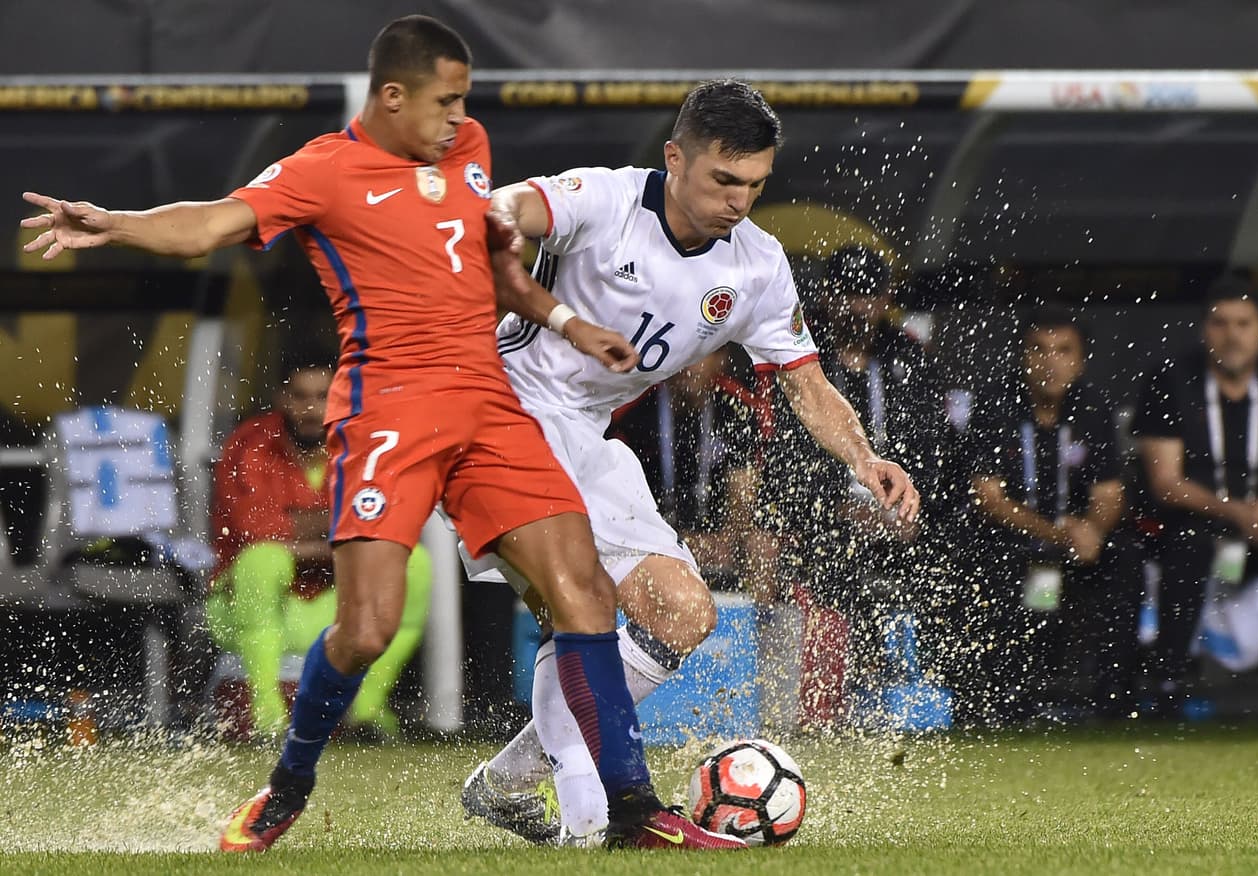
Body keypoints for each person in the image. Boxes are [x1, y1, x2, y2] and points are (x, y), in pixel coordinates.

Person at [21, 15, 744, 853]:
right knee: (366, 627)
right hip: (387, 409)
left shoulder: (466, 146)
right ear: (392, 96)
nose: (457, 116)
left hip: (488, 402)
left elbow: (493, 261)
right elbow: (212, 224)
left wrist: (567, 321)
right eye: (444, 101)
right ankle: (286, 787)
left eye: (463, 100)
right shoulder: (324, 170)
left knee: (582, 592)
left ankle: (631, 812)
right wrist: (114, 222)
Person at [458, 79, 920, 846]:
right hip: (498, 417)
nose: (740, 200)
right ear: (675, 158)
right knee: (594, 612)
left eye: (756, 184)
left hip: (581, 437)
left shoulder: (758, 268)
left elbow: (804, 383)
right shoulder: (604, 202)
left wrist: (865, 459)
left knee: (683, 612)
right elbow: (503, 211)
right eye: (724, 179)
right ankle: (598, 824)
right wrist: (501, 223)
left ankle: (508, 786)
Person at [754, 245, 953, 730]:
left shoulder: (910, 357)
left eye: (868, 295)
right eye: (847, 294)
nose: (858, 307)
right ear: (826, 296)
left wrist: (909, 508)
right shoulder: (803, 355)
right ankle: (826, 703)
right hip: (824, 520)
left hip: (898, 514)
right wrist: (840, 510)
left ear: (886, 297)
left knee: (954, 549)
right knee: (821, 555)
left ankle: (934, 694)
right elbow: (787, 460)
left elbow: (935, 449)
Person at [207, 352, 430, 740]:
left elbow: (389, 521)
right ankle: (267, 714)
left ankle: (365, 710)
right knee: (261, 561)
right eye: (300, 396)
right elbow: (256, 530)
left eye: (323, 395)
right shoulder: (251, 444)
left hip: (337, 604)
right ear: (281, 397)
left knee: (414, 563)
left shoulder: (364, 445)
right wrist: (340, 530)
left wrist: (296, 531)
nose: (312, 409)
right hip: (253, 608)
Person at [966, 306, 1137, 722]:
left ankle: (1114, 699)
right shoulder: (996, 402)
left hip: (1076, 537)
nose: (1050, 362)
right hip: (1012, 535)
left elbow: (1111, 493)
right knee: (987, 557)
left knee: (1127, 559)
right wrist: (1061, 534)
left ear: (1079, 362)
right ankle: (1002, 697)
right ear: (1023, 356)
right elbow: (989, 498)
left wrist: (1092, 530)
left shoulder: (1093, 406)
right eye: (1039, 350)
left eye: (1063, 351)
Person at [1134, 276, 1258, 714]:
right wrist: (1238, 512)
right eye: (1220, 323)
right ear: (1204, 330)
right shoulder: (1171, 379)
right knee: (1188, 543)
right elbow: (1165, 481)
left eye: (1242, 323)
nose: (1232, 335)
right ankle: (1169, 680)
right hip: (1195, 521)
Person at [607, 348, 766, 589]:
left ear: (719, 361)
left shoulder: (736, 406)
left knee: (762, 545)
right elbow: (617, 492)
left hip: (719, 535)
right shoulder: (636, 410)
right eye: (685, 356)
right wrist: (667, 540)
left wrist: (727, 538)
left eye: (700, 356)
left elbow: (744, 486)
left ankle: (762, 623)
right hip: (651, 532)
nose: (689, 366)